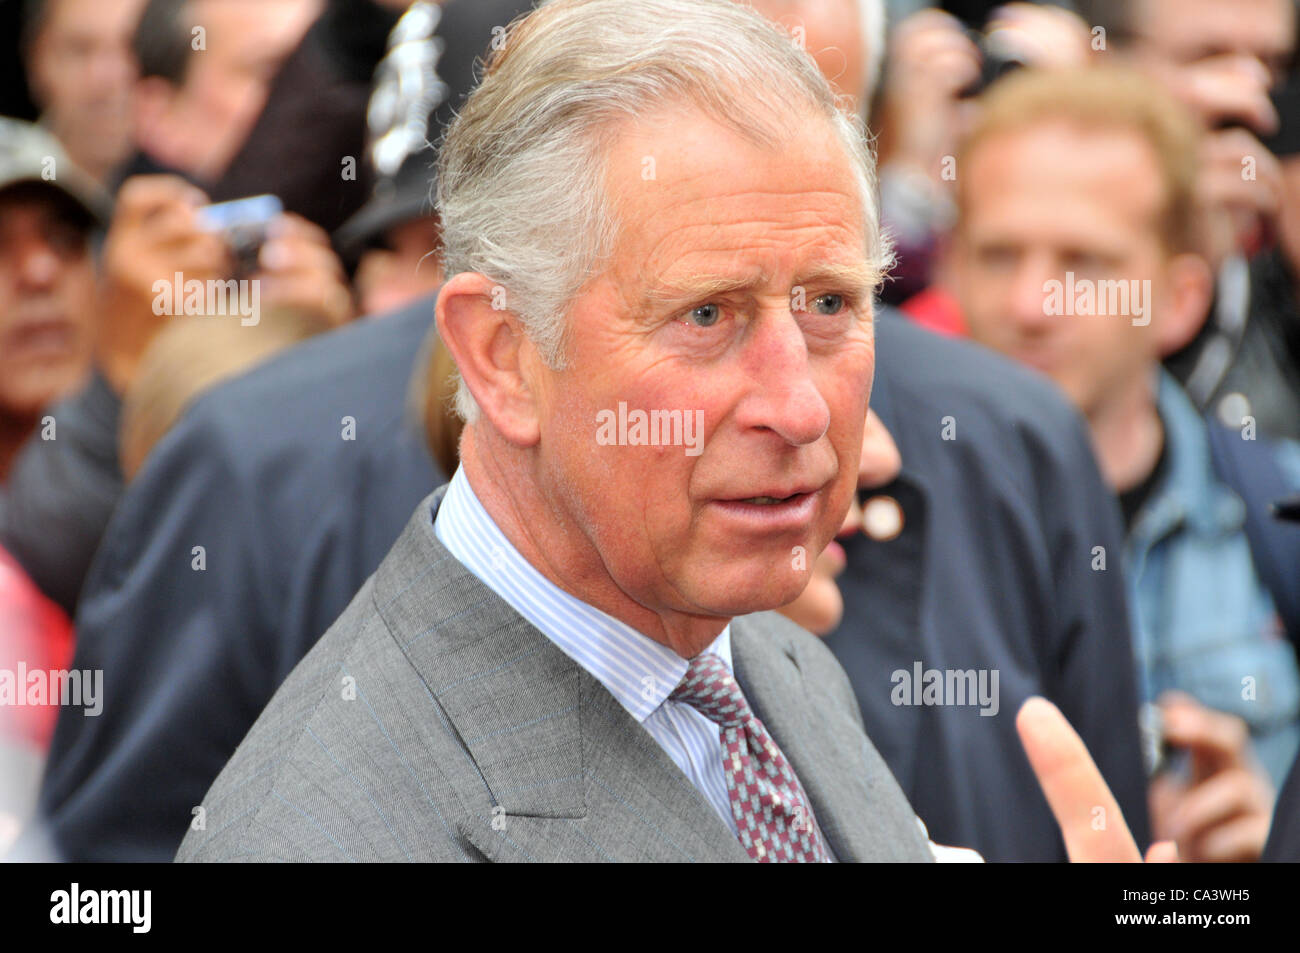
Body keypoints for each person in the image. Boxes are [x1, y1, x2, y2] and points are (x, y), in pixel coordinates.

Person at [175, 0, 1162, 865]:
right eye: (705, 315)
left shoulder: (764, 655)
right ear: (501, 354)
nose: (800, 406)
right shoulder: (323, 833)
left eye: (828, 301)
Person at [950, 66, 1298, 862]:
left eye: (1084, 263)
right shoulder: (858, 529)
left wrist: (1269, 845)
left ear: (1179, 300)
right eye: (999, 255)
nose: (1032, 304)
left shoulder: (1279, 513)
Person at [20, 0, 145, 186]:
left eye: (132, 49)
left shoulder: (192, 190)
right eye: (80, 50)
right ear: (37, 60)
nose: (105, 78)